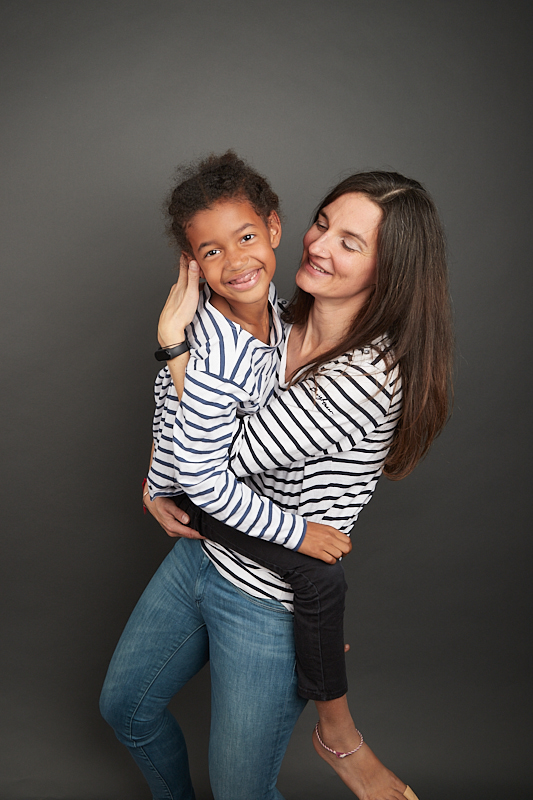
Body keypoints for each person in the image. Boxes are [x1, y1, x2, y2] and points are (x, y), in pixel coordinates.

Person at [101, 157, 453, 800]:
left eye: (350, 242)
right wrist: (156, 477)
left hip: (269, 598)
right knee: (126, 709)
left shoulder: (366, 379)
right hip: (204, 553)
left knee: (240, 791)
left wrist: (176, 349)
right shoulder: (278, 316)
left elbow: (217, 461)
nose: (318, 245)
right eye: (322, 224)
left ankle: (337, 736)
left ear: (391, 269)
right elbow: (177, 421)